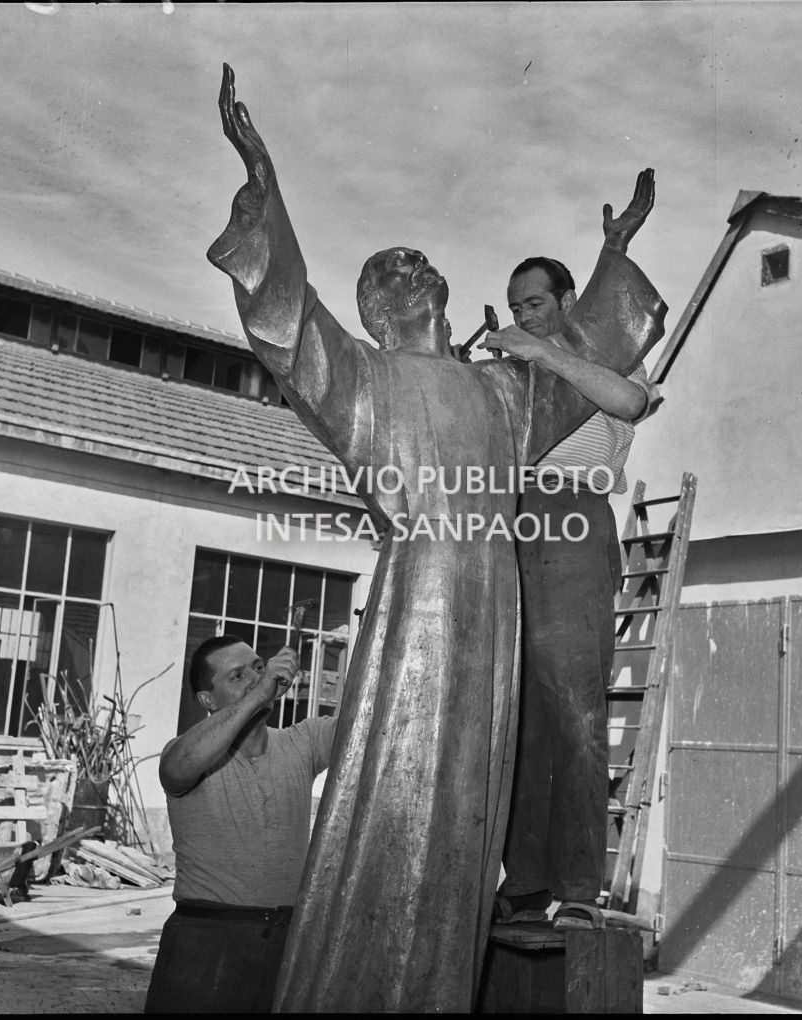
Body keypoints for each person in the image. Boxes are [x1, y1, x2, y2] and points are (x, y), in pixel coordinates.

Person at [205, 63, 665, 1012]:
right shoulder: (367, 380)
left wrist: (613, 258)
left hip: (499, 597)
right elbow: (290, 332)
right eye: (392, 270)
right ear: (375, 309)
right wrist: (266, 188)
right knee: (406, 776)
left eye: (419, 263)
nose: (412, 271)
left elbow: (604, 368)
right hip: (424, 596)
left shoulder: (500, 388)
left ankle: (511, 908)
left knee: (487, 772)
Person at [483, 225, 660, 931]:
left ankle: (582, 886)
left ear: (568, 302)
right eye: (515, 308)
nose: (523, 316)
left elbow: (628, 404)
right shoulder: (520, 371)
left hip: (577, 522)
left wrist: (537, 351)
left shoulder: (609, 360)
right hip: (513, 524)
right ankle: (524, 880)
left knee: (576, 713)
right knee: (521, 715)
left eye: (534, 303)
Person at [143, 635, 336, 1013]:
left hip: (286, 941)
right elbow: (175, 769)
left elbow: (374, 721)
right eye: (236, 675)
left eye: (258, 667)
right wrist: (260, 693)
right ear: (207, 700)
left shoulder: (304, 741)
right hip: (205, 944)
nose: (254, 678)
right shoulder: (184, 751)